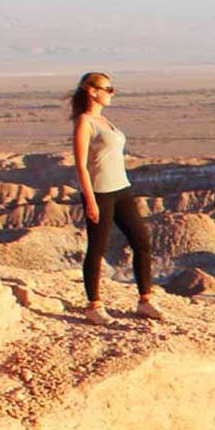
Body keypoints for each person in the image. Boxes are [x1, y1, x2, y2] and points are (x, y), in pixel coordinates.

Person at [70, 71, 165, 325]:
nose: (111, 92)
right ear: (92, 91)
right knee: (98, 248)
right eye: (107, 88)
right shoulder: (84, 122)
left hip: (121, 189)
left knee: (141, 241)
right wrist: (90, 200)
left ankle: (145, 299)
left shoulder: (105, 120)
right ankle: (94, 306)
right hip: (100, 192)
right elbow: (80, 165)